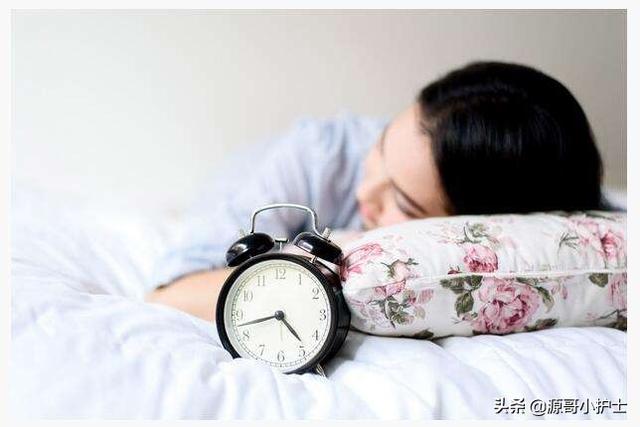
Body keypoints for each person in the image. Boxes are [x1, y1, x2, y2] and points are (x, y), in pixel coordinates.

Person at [146, 61, 608, 321]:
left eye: (403, 203)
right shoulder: (319, 156)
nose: (365, 193)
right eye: (381, 147)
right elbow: (171, 292)